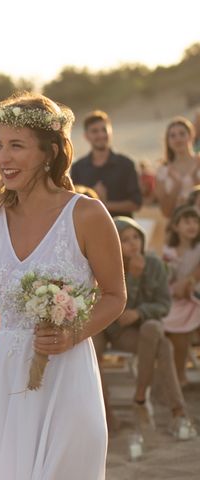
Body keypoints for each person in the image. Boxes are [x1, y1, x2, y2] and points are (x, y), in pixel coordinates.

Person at [0, 93, 127, 480]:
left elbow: (115, 296)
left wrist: (72, 334)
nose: (3, 158)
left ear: (50, 152)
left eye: (16, 146)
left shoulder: (86, 213)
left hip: (67, 378)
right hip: (5, 381)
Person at [93, 216, 194, 438]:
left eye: (136, 237)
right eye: (125, 239)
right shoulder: (105, 266)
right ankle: (113, 413)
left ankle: (140, 397)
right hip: (111, 330)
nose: (133, 243)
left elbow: (164, 305)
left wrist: (140, 312)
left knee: (155, 331)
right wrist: (133, 279)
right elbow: (111, 310)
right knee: (161, 343)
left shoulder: (154, 264)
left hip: (141, 332)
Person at [71, 110, 142, 217]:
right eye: (95, 131)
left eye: (104, 130)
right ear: (86, 136)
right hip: (89, 228)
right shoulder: (78, 167)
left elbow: (136, 203)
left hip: (121, 229)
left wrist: (103, 204)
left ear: (111, 131)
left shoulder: (126, 164)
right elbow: (73, 203)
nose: (101, 134)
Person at [161, 205, 200, 388]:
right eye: (187, 222)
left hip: (194, 297)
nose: (192, 226)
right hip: (175, 297)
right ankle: (172, 375)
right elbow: (168, 279)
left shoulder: (198, 249)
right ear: (176, 226)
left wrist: (189, 282)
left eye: (195, 222)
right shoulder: (170, 251)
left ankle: (180, 374)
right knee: (169, 319)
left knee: (182, 326)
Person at [154, 117, 200, 218]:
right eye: (173, 136)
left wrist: (195, 180)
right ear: (168, 141)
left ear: (191, 136)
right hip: (176, 224)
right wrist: (176, 186)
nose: (178, 139)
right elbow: (165, 212)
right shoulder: (163, 171)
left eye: (182, 134)